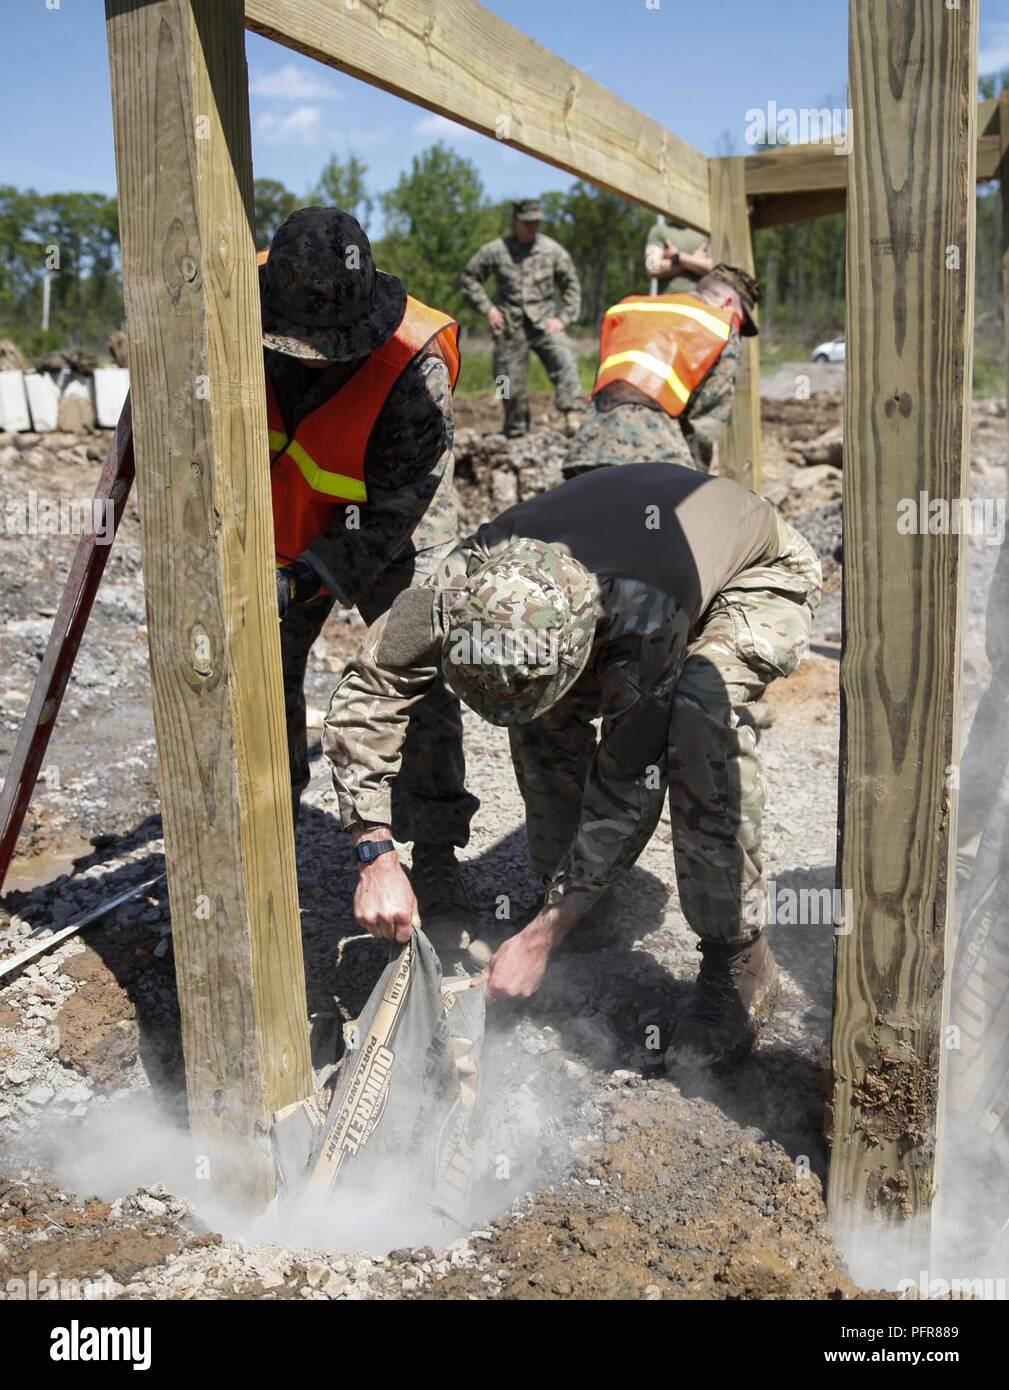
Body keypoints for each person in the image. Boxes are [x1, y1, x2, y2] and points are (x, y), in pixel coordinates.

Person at [322, 463, 822, 1070]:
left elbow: (630, 786)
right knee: (541, 716)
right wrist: (374, 852)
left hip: (754, 573)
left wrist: (539, 935)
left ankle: (738, 958)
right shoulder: (460, 583)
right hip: (626, 559)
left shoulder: (644, 620)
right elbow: (370, 689)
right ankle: (581, 910)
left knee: (696, 718)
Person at [260, 207, 480, 955]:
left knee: (418, 669)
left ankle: (437, 854)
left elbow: (394, 504)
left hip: (388, 513)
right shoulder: (227, 299)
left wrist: (313, 574)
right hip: (284, 509)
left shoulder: (414, 366)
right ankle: (267, 841)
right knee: (262, 672)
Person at [563, 264, 760, 478]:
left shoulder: (631, 308)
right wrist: (694, 480)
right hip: (653, 455)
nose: (739, 328)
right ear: (728, 302)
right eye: (742, 319)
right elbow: (705, 419)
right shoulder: (720, 325)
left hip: (586, 450)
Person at [459, 198, 583, 438]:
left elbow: (571, 286)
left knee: (565, 359)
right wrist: (488, 309)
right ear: (515, 221)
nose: (532, 228)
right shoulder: (496, 250)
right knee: (506, 382)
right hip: (510, 325)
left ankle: (573, 417)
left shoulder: (552, 250)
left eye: (536, 223)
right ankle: (514, 429)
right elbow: (469, 278)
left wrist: (562, 319)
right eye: (527, 223)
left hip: (545, 322)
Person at [644, 215, 715, 295]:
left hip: (699, 299)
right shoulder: (659, 230)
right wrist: (692, 260)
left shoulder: (705, 231)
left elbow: (711, 267)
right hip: (667, 299)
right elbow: (652, 267)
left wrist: (678, 257)